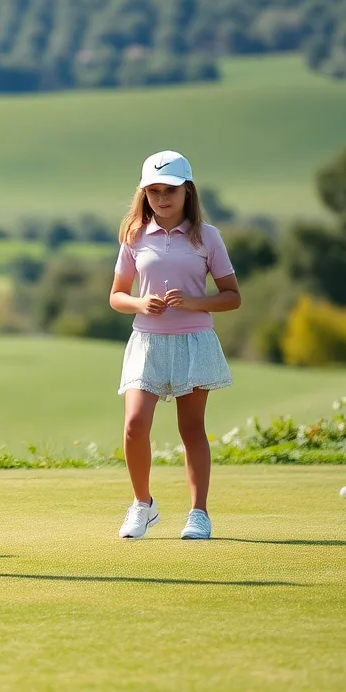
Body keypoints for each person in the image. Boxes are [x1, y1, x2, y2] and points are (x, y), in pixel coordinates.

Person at [110, 150, 241, 541]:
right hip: (147, 340)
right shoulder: (134, 235)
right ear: (144, 194)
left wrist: (194, 301)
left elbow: (232, 295)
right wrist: (139, 303)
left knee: (191, 428)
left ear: (187, 191)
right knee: (134, 424)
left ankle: (198, 513)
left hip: (194, 341)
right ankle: (143, 505)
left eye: (169, 190)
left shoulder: (208, 236)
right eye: (153, 191)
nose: (161, 198)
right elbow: (117, 295)